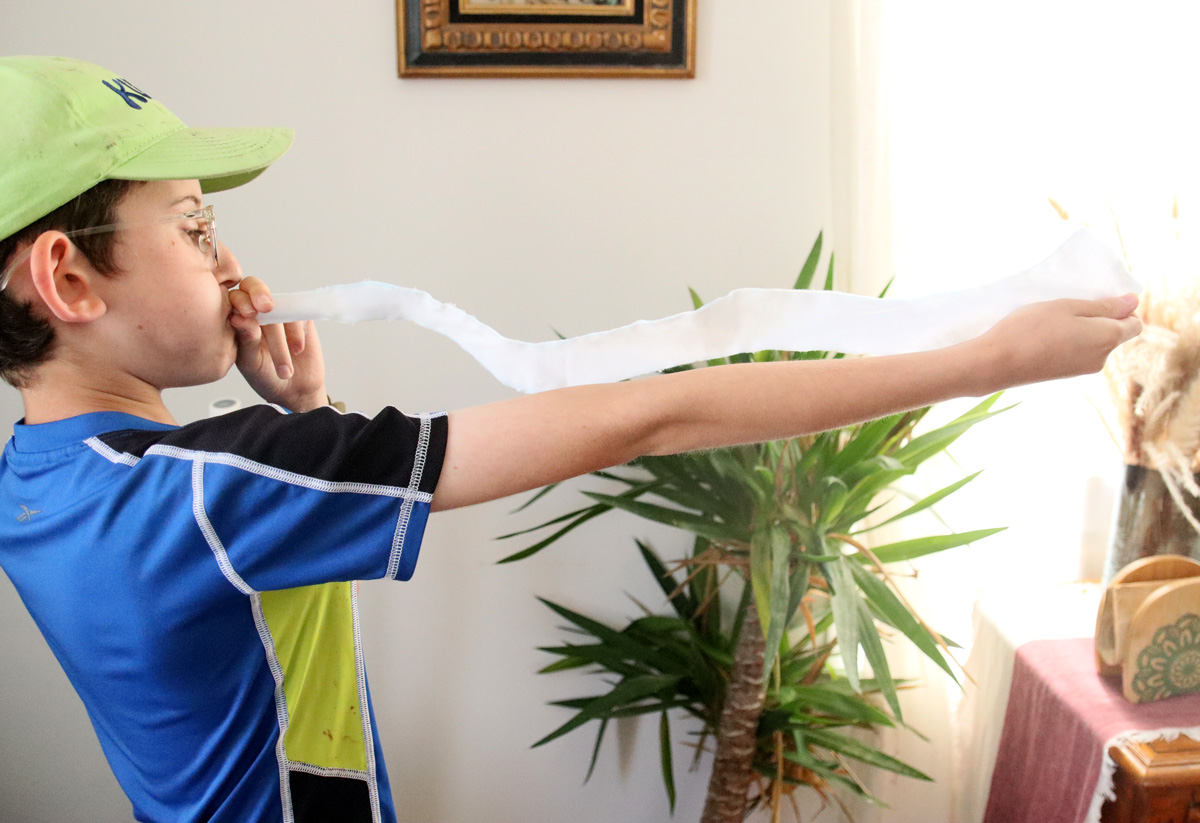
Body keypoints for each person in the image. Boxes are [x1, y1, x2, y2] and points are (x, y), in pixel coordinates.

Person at [0, 55, 1141, 823]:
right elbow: (652, 411)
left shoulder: (42, 482)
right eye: (196, 225)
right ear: (68, 275)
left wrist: (311, 421)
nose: (230, 263)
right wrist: (988, 358)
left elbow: (234, 580)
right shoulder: (206, 487)